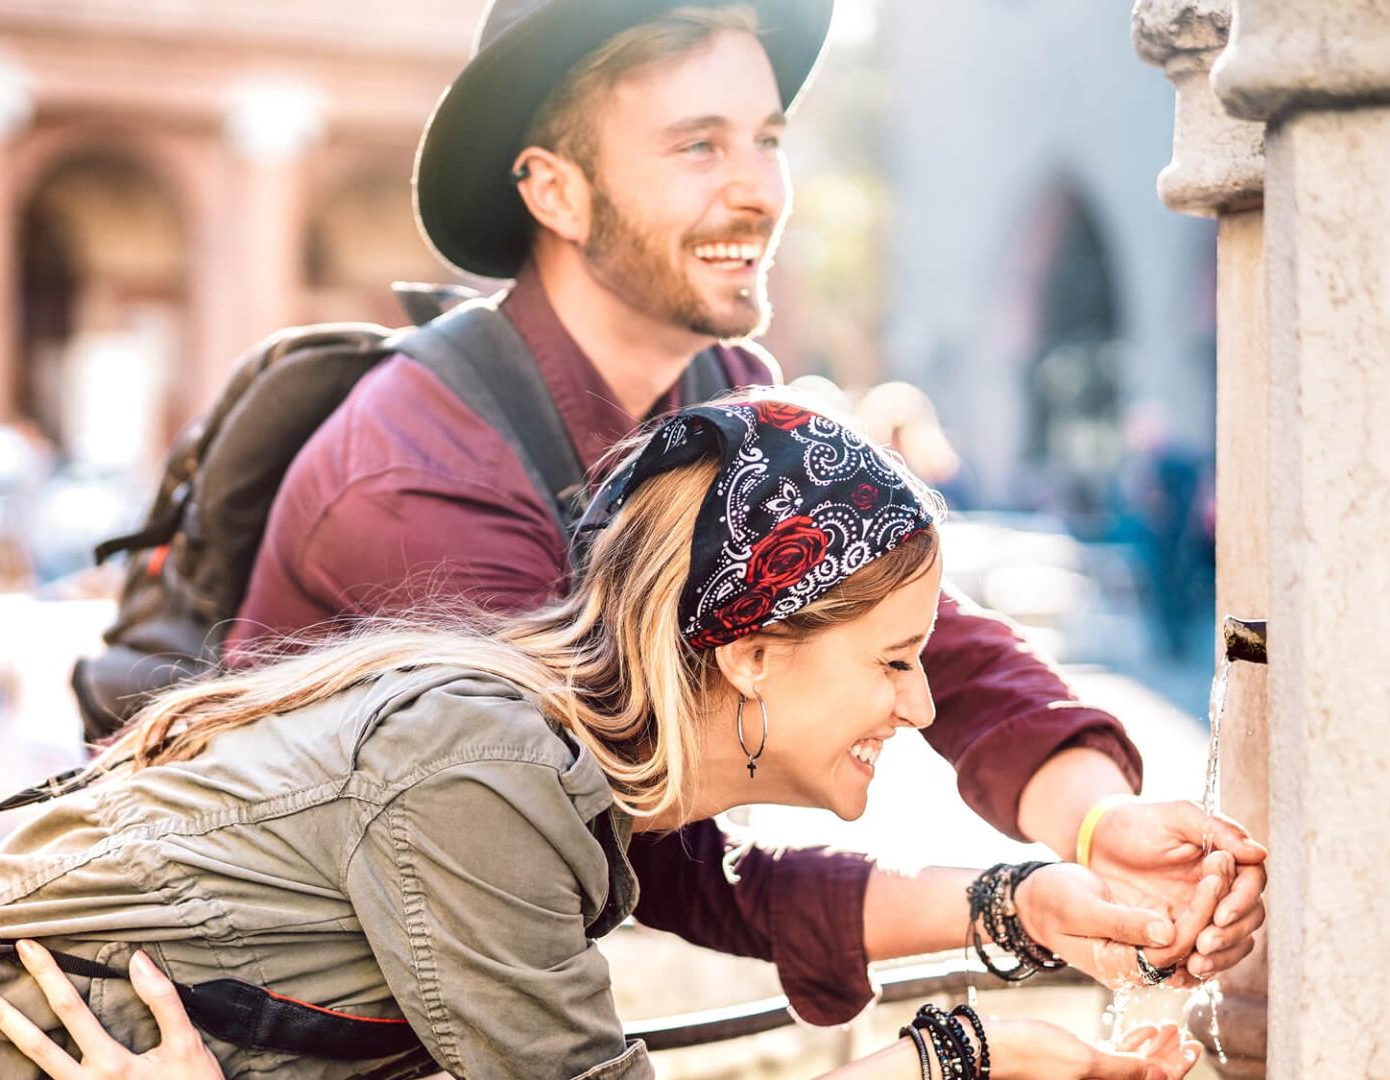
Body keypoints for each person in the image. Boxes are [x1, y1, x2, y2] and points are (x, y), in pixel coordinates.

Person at [224, 0, 1267, 1025]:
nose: (759, 190)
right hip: (264, 1016)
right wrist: (1019, 904)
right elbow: (651, 862)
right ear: (555, 190)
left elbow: (928, 642)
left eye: (765, 139)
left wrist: (1099, 828)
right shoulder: (421, 483)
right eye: (697, 146)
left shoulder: (719, 394)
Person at [0, 394, 1210, 1079]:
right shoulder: (487, 767)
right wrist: (961, 1057)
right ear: (750, 655)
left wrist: (1019, 905)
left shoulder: (556, 765)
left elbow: (730, 908)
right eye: (893, 661)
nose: (924, 703)